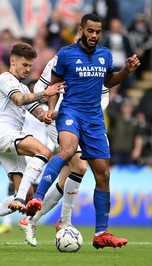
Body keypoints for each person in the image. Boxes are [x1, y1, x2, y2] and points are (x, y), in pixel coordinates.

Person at [26, 14, 140, 249]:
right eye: (90, 31)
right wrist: (50, 108)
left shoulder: (105, 55)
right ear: (81, 30)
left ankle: (101, 234)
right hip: (70, 113)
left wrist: (126, 71)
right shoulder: (66, 54)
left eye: (98, 32)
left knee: (103, 174)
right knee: (67, 151)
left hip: (94, 119)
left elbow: (107, 82)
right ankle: (37, 198)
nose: (94, 36)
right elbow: (53, 86)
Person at [18, 32, 110, 247]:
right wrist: (51, 110)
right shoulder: (61, 59)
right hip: (61, 119)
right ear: (79, 33)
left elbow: (104, 94)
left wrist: (91, 112)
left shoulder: (97, 60)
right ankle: (60, 219)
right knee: (78, 165)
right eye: (82, 33)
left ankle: (34, 219)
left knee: (76, 170)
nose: (86, 38)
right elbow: (42, 88)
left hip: (86, 120)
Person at [0, 42, 64, 245]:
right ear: (13, 61)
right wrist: (46, 92)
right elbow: (20, 100)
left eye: (30, 66)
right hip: (3, 132)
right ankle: (19, 198)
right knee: (44, 151)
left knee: (28, 195)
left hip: (8, 140)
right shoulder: (5, 78)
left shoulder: (22, 86)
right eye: (25, 65)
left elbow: (36, 112)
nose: (28, 69)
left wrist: (49, 114)